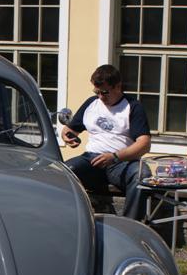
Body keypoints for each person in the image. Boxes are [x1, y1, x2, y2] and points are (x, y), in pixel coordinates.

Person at [61, 64, 152, 220]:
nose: (101, 97)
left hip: (122, 162)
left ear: (118, 86)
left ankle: (131, 225)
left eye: (104, 92)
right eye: (97, 92)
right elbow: (69, 129)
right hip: (92, 159)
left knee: (141, 175)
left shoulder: (132, 107)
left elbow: (144, 144)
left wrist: (114, 156)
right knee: (64, 171)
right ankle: (68, 219)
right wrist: (68, 137)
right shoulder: (92, 103)